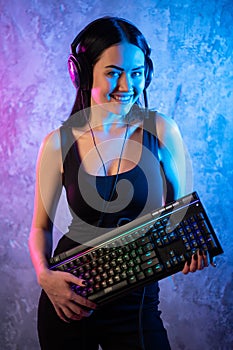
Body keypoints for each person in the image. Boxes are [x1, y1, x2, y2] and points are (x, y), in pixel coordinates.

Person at [28, 16, 209, 350]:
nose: (127, 86)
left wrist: (190, 247)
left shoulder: (163, 132)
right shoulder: (57, 144)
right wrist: (45, 276)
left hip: (136, 308)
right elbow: (41, 228)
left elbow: (182, 218)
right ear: (82, 75)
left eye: (137, 73)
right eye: (113, 72)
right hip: (69, 301)